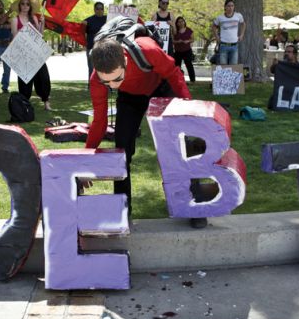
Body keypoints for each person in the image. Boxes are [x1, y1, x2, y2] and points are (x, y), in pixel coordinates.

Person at [85, 37, 208, 229]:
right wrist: (84, 161)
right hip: (130, 98)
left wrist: (187, 109)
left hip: (160, 86)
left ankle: (195, 203)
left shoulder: (147, 50)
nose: (112, 86)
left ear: (125, 61)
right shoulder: (97, 79)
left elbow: (174, 73)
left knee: (181, 145)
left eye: (117, 78)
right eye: (106, 81)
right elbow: (99, 122)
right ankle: (123, 210)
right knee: (122, 152)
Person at [10, 0, 52, 111]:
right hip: (23, 53)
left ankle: (46, 102)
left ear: (30, 6)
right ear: (19, 6)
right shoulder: (15, 20)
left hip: (36, 53)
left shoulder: (34, 18)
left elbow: (40, 35)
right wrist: (22, 31)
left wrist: (42, 23)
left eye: (27, 4)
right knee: (25, 80)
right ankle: (24, 104)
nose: (25, 6)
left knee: (43, 77)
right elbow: (14, 38)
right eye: (22, 4)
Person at [212, 0, 245, 65]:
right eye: (228, 6)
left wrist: (241, 35)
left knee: (233, 67)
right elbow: (213, 26)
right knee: (223, 67)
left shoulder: (238, 16)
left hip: (234, 45)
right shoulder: (220, 17)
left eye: (232, 6)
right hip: (223, 45)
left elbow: (243, 24)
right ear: (225, 7)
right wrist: (217, 37)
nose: (230, 8)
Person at [82, 1, 107, 81]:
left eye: (101, 8)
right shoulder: (87, 21)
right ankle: (91, 85)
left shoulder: (108, 19)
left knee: (105, 68)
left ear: (103, 10)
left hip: (105, 49)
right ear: (94, 9)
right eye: (97, 8)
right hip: (91, 48)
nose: (99, 10)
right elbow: (80, 32)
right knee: (92, 69)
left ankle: (106, 86)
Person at [172, 16, 195, 82]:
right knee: (177, 66)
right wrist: (177, 41)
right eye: (179, 22)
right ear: (177, 23)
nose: (181, 23)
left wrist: (188, 41)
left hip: (187, 50)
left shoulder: (189, 30)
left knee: (189, 64)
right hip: (178, 51)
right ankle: (177, 80)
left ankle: (192, 80)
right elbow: (172, 41)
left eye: (182, 21)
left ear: (184, 22)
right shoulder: (175, 31)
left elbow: (192, 39)